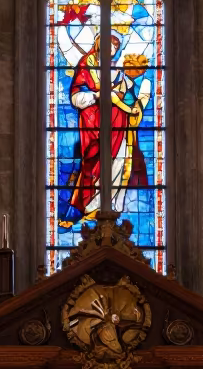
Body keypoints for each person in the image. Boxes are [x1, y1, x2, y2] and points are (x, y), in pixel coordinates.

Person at [62, 33, 149, 226]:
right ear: (99, 44)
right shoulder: (86, 65)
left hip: (117, 123)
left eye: (115, 49)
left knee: (119, 161)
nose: (112, 51)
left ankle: (113, 207)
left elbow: (123, 91)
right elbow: (76, 97)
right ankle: (92, 207)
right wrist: (96, 95)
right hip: (92, 123)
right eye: (109, 47)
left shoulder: (116, 68)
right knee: (93, 162)